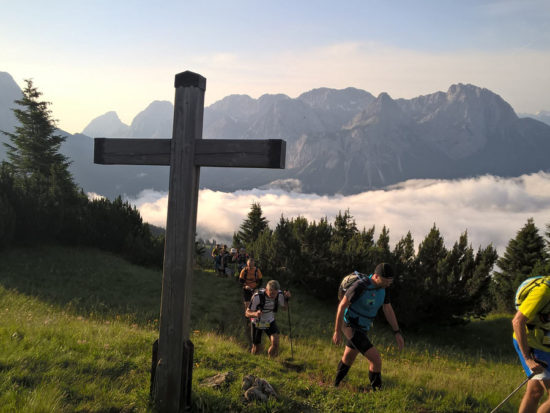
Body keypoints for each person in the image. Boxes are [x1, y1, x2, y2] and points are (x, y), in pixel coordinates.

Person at [332, 263, 404, 390]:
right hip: (350, 325)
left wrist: (397, 332)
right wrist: (337, 331)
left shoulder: (384, 288)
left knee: (348, 357)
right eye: (386, 281)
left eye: (390, 281)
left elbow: (387, 309)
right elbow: (342, 306)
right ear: (376, 276)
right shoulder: (360, 286)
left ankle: (334, 386)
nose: (388, 284)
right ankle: (377, 393)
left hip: (363, 327)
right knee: (376, 359)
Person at [512, 276, 550, 413]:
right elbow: (517, 322)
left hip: (545, 343)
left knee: (535, 391)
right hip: (531, 344)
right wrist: (528, 359)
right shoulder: (544, 291)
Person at [245, 279, 291, 357]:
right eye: (271, 292)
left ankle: (271, 361)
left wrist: (287, 299)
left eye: (275, 293)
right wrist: (255, 314)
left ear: (278, 291)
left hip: (269, 321)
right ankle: (253, 360)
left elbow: (285, 308)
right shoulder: (257, 296)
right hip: (257, 322)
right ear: (266, 289)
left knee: (275, 343)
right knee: (257, 348)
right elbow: (247, 313)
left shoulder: (279, 295)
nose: (273, 296)